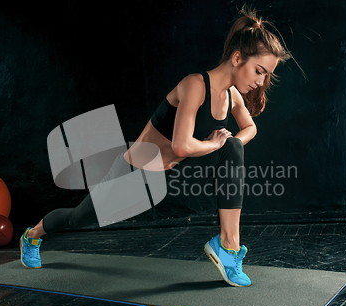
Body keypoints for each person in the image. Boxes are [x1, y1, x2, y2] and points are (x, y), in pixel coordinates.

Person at [20, 6, 291, 288]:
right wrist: (213, 143)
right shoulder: (195, 85)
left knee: (234, 148)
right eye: (259, 71)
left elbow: (251, 128)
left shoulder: (231, 96)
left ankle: (229, 245)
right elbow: (182, 145)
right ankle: (33, 234)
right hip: (131, 172)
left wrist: (229, 142)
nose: (261, 81)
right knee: (78, 219)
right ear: (237, 58)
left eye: (266, 75)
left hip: (166, 174)